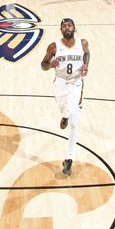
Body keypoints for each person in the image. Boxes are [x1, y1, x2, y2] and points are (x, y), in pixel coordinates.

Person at [40, 18, 90, 176]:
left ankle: (69, 158)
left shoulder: (82, 43)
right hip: (60, 84)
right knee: (64, 110)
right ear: (60, 29)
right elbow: (43, 65)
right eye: (64, 26)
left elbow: (87, 54)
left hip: (76, 84)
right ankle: (64, 115)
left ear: (74, 28)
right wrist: (51, 64)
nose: (67, 27)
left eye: (69, 25)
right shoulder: (54, 46)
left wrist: (86, 65)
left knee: (75, 123)